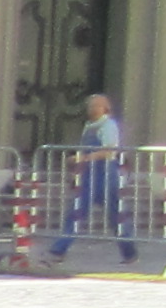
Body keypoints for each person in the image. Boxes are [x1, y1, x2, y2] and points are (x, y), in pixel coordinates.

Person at [47, 89, 137, 269]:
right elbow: (84, 149)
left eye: (96, 105)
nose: (92, 108)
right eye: (90, 105)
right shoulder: (89, 126)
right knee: (75, 213)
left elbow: (109, 150)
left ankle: (130, 253)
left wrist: (84, 159)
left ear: (106, 108)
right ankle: (58, 251)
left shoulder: (108, 126)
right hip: (89, 175)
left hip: (105, 175)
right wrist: (77, 167)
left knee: (116, 217)